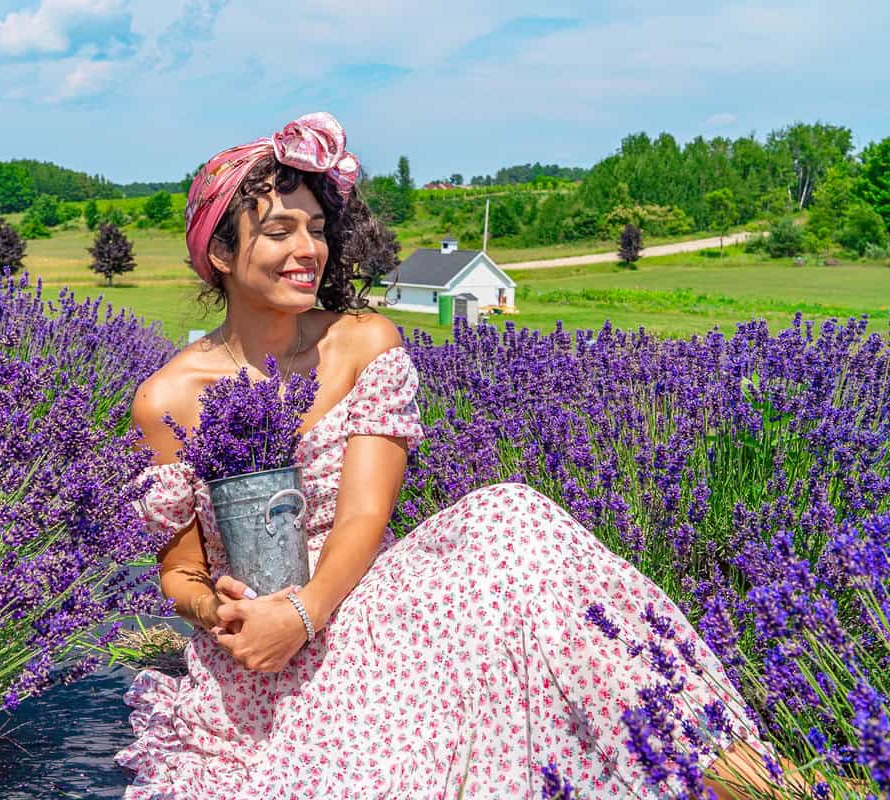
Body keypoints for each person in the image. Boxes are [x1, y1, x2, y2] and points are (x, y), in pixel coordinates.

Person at [114, 113, 807, 799]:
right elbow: (180, 571)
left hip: (351, 604)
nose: (308, 249)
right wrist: (223, 614)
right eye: (277, 231)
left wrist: (302, 615)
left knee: (514, 521)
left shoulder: (363, 342)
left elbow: (363, 515)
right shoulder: (167, 397)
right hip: (254, 657)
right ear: (221, 254)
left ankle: (746, 780)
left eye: (317, 229)